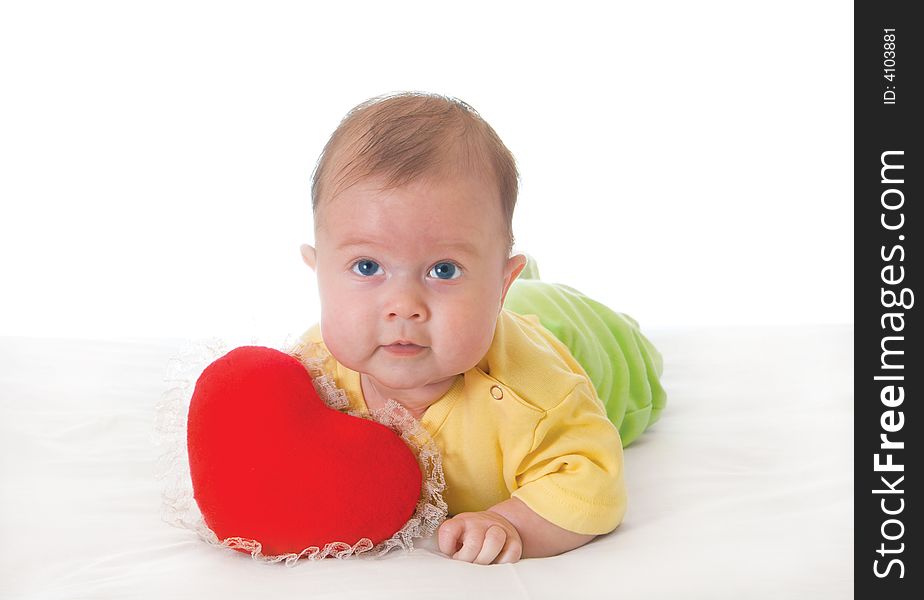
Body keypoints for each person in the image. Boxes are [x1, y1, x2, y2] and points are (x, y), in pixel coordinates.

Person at [297, 92, 666, 565]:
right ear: (319, 270)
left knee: (618, 343)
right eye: (367, 266)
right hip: (492, 307)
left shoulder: (539, 396)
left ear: (500, 283)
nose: (404, 307)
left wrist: (511, 520)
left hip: (584, 337)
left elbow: (590, 479)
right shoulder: (313, 370)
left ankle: (605, 327)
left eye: (443, 270)